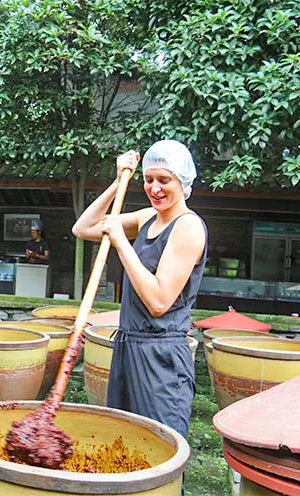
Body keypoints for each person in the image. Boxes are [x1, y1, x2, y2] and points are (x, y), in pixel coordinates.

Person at [72, 140, 207, 440]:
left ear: (182, 182)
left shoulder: (188, 227)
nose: (154, 188)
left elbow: (159, 302)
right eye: (148, 179)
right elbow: (83, 228)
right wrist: (118, 181)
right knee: (122, 446)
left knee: (159, 449)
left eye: (164, 180)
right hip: (127, 347)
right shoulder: (148, 218)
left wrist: (121, 242)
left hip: (161, 358)